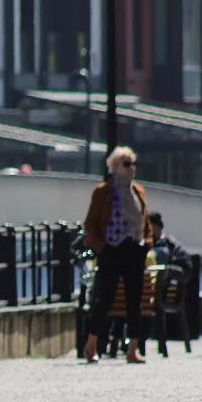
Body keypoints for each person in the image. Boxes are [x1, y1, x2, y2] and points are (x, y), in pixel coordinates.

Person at [81, 146, 153, 364]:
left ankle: (133, 348)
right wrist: (100, 247)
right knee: (105, 298)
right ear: (114, 167)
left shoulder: (137, 191)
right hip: (111, 248)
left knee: (134, 299)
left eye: (133, 164)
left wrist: (146, 243)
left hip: (133, 248)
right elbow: (91, 222)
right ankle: (91, 344)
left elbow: (145, 220)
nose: (132, 169)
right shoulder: (103, 191)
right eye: (127, 164)